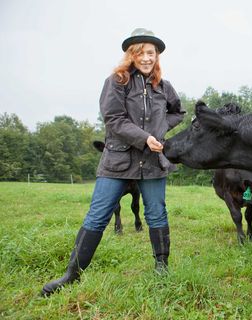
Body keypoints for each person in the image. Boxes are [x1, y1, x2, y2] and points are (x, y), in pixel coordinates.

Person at [41, 28, 185, 296]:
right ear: (131, 55)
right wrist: (145, 137)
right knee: (97, 215)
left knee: (156, 213)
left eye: (150, 53)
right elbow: (114, 120)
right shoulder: (116, 82)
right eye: (140, 53)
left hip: (153, 161)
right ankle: (71, 275)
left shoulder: (163, 87)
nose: (146, 58)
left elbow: (178, 112)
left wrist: (161, 125)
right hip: (117, 160)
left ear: (157, 56)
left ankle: (161, 269)